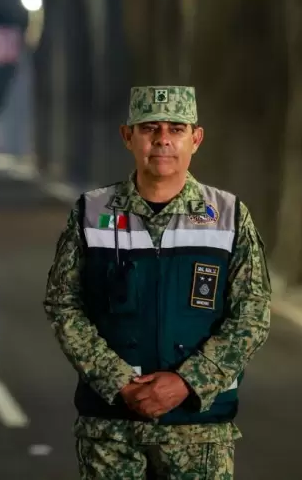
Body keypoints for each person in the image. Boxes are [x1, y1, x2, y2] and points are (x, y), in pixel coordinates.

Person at [43, 85, 272, 479]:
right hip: (110, 430)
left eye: (176, 129)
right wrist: (119, 382)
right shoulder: (91, 213)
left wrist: (187, 382)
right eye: (149, 128)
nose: (163, 139)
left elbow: (252, 314)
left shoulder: (228, 215)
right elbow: (63, 303)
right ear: (127, 136)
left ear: (195, 139)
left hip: (200, 433)